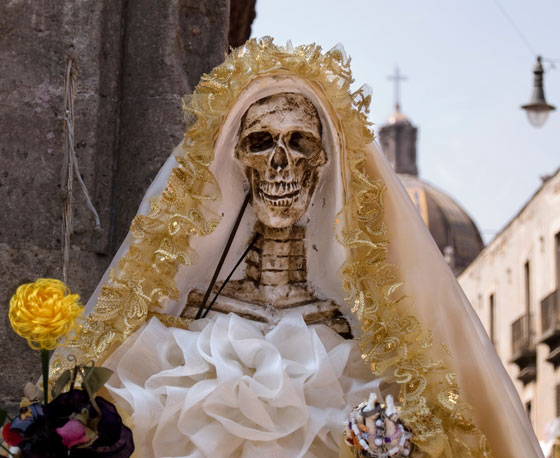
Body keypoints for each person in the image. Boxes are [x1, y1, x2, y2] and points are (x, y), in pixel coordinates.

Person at [52, 38, 543, 457]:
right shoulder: (171, 349)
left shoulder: (359, 363)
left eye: (300, 144)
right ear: (238, 160)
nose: (281, 163)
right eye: (261, 143)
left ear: (324, 162)